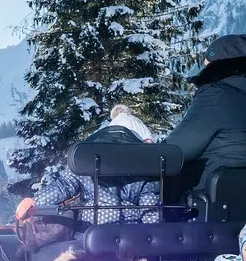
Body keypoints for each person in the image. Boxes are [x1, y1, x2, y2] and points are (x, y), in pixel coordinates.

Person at [14, 104, 161, 251]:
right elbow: (151, 212)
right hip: (130, 238)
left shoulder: (88, 163)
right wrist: (151, 239)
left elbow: (64, 185)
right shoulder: (146, 173)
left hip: (90, 235)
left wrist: (35, 201)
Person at [164, 34, 246, 194]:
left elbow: (176, 150)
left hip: (209, 201)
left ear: (220, 66)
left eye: (207, 65)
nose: (204, 70)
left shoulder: (215, 95)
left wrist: (147, 153)